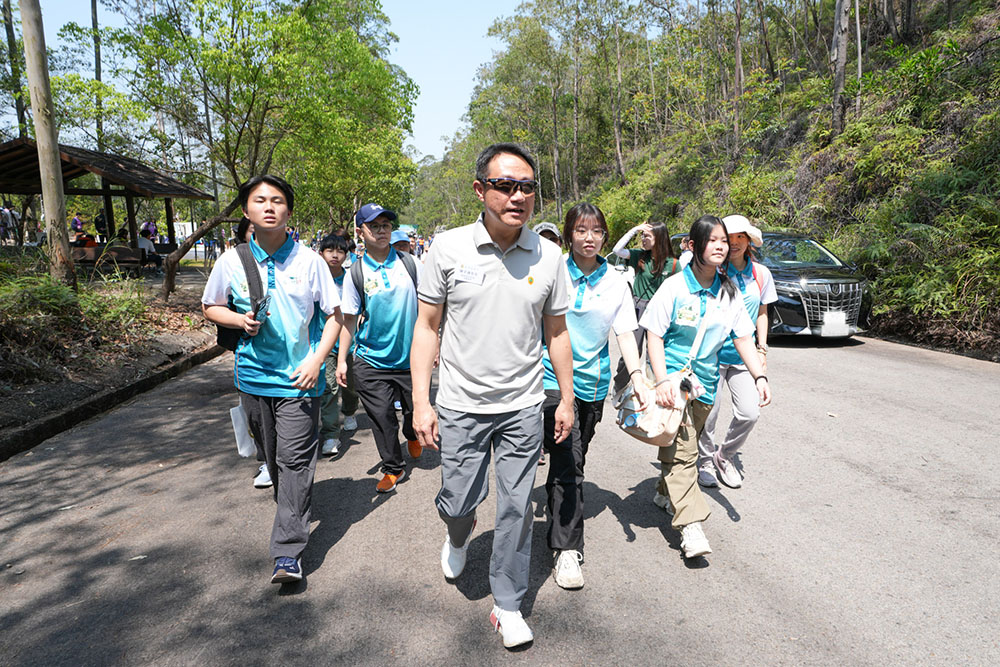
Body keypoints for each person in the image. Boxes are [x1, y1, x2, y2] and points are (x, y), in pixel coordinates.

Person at [410, 142, 575, 649]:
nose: (517, 196)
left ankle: (507, 604)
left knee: (517, 507)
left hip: (523, 404)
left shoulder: (550, 256)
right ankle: (458, 533)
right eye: (505, 185)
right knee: (459, 500)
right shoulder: (447, 248)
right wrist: (421, 401)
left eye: (527, 187)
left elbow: (557, 333)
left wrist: (566, 399)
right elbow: (427, 327)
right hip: (461, 404)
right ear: (480, 190)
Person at [201, 174, 343, 585]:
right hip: (252, 378)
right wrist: (238, 320)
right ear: (246, 210)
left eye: (277, 200)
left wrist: (318, 360)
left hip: (300, 379)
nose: (269, 206)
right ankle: (293, 508)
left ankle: (287, 551)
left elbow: (335, 316)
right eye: (260, 200)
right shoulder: (230, 261)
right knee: (273, 457)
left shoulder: (310, 261)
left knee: (294, 461)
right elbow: (211, 305)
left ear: (288, 211)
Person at [641, 215, 771, 559]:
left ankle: (664, 491)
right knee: (685, 453)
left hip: (706, 386)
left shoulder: (729, 292)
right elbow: (654, 335)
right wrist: (661, 379)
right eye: (712, 240)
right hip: (673, 384)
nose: (720, 246)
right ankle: (691, 526)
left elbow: (743, 338)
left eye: (723, 241)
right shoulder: (674, 287)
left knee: (681, 445)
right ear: (693, 245)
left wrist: (759, 376)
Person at [541, 203, 648, 590]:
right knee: (569, 462)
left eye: (597, 231)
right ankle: (567, 548)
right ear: (568, 234)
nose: (589, 238)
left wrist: (637, 377)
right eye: (581, 230)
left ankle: (557, 511)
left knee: (571, 458)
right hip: (549, 380)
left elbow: (625, 333)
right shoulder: (552, 271)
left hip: (593, 385)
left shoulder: (616, 282)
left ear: (605, 236)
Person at [337, 203, 422, 494]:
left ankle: (411, 433)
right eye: (374, 226)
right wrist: (342, 360)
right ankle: (393, 467)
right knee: (382, 416)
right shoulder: (355, 273)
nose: (381, 231)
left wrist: (434, 345)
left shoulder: (410, 264)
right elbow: (349, 319)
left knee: (413, 411)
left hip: (411, 358)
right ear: (360, 232)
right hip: (371, 359)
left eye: (385, 225)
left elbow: (429, 307)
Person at [697, 215, 776, 489]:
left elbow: (763, 313)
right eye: (728, 238)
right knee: (709, 414)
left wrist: (762, 349)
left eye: (740, 237)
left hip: (744, 356)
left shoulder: (760, 274)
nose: (734, 243)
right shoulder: (713, 271)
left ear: (749, 241)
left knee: (749, 413)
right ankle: (705, 461)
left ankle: (724, 455)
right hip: (713, 355)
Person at [610, 221, 680, 395]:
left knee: (655, 352)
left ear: (659, 238)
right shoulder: (639, 256)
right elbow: (617, 250)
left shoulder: (673, 264)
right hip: (638, 306)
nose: (643, 239)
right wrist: (635, 230)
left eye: (647, 236)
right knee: (632, 350)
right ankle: (619, 385)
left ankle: (654, 388)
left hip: (660, 310)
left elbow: (679, 290)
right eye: (642, 235)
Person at [317, 233, 359, 456]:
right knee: (329, 388)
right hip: (324, 342)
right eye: (330, 250)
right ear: (321, 253)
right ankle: (331, 434)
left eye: (340, 251)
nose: (335, 255)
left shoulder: (351, 278)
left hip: (349, 342)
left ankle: (350, 412)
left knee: (350, 385)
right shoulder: (316, 278)